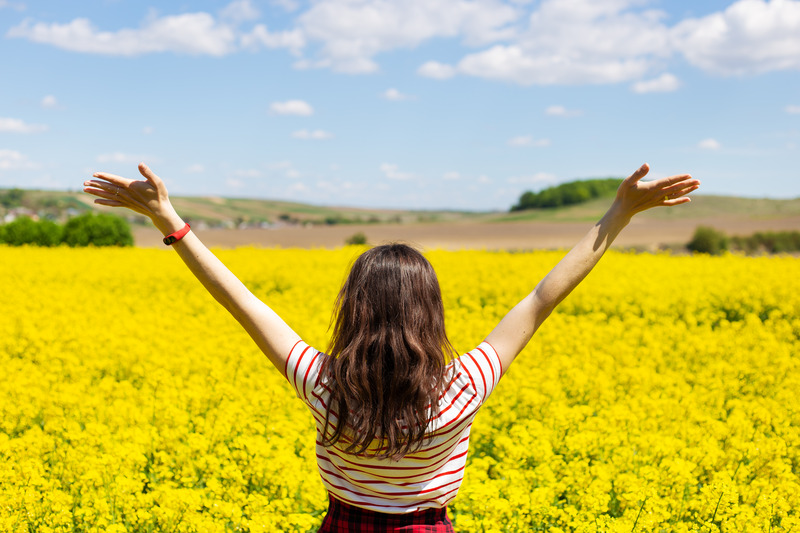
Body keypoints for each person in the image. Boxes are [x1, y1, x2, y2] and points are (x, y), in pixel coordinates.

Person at [83, 163, 699, 532]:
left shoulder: (322, 385)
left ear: (351, 309)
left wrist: (170, 221)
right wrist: (619, 213)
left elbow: (240, 301)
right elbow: (543, 298)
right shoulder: (462, 387)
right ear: (429, 315)